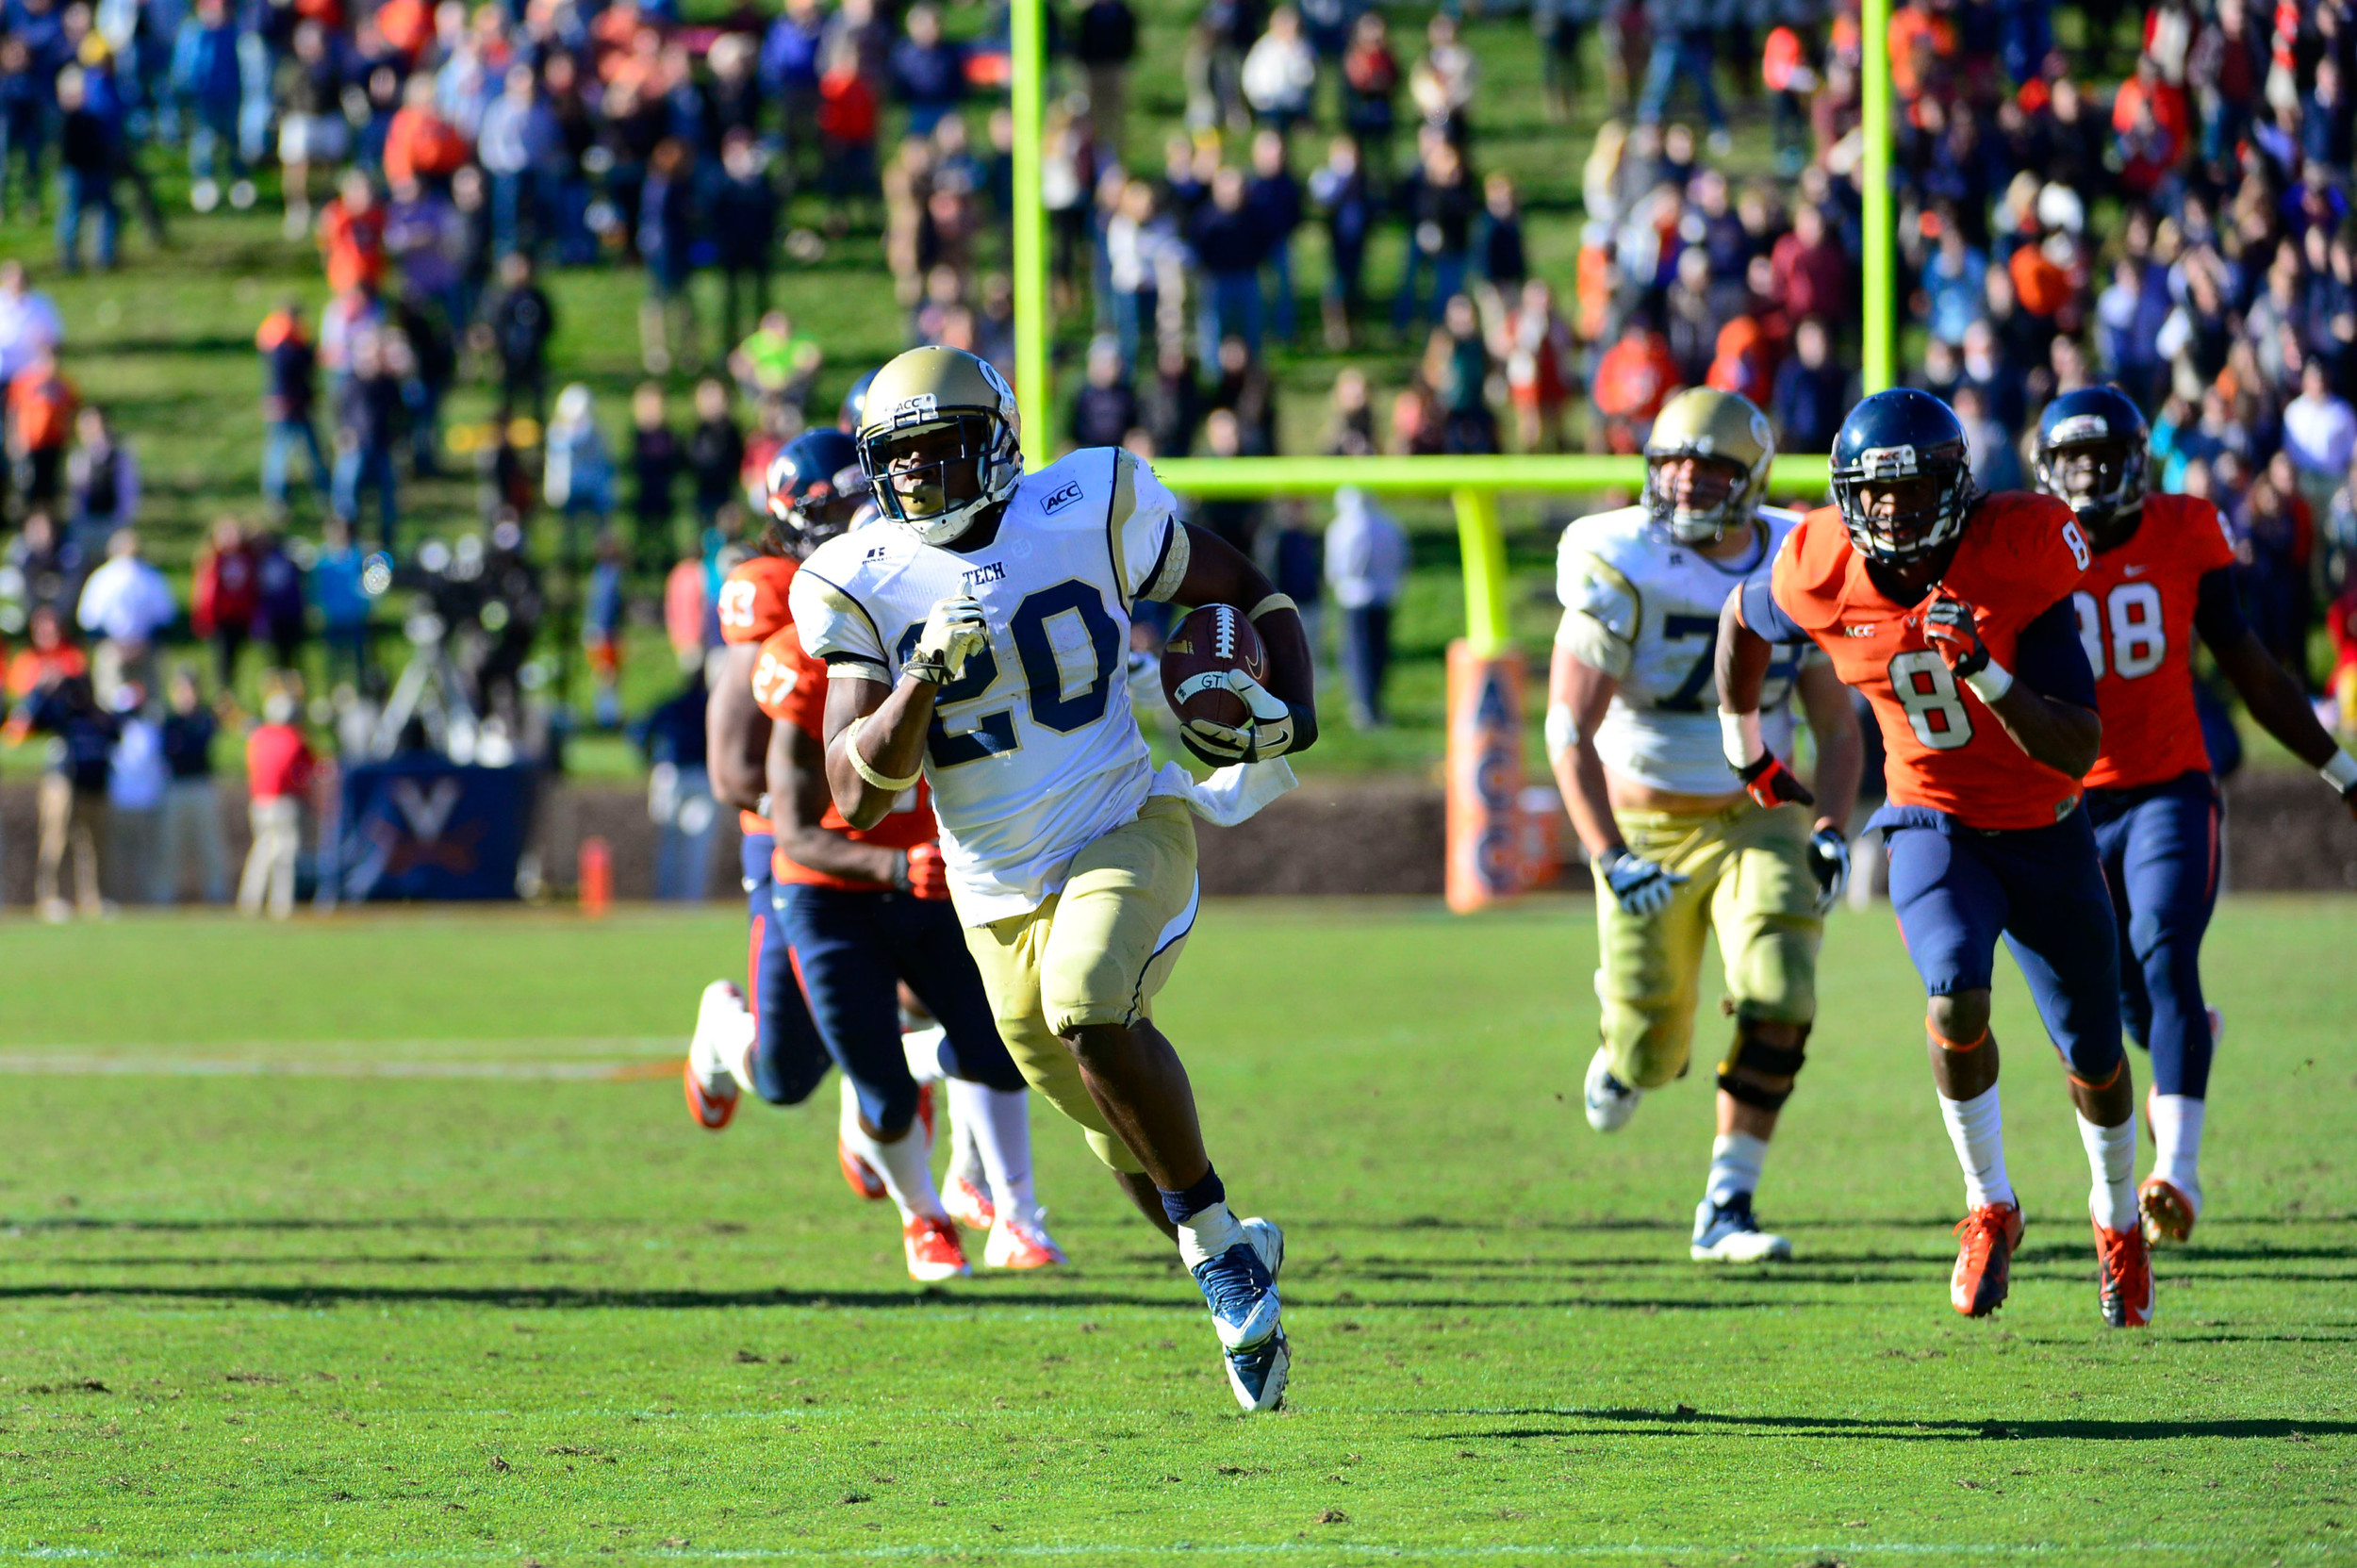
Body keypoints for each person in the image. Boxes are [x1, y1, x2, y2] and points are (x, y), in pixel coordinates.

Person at [793, 345, 1315, 1411]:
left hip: (1124, 818)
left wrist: (1290, 713)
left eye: (944, 450)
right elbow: (856, 793)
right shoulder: (862, 576)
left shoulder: (1087, 502)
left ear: (997, 441)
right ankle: (1222, 1246)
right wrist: (917, 682)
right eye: (902, 459)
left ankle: (1216, 1252)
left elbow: (1243, 589)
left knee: (1088, 998)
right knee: (1106, 1120)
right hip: (992, 894)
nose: (922, 479)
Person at [1717, 388, 2148, 1328]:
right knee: (1952, 992)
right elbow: (1741, 620)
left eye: (1912, 495)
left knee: (2094, 1053)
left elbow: (2076, 745)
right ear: (1845, 496)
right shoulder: (1821, 562)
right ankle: (1988, 1201)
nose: (1892, 514)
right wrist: (1741, 739)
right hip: (1929, 819)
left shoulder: (2016, 551)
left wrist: (1986, 669)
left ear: (1956, 489)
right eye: (1873, 496)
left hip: (2044, 826)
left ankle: (2115, 1216)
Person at [2032, 387, 2357, 1247]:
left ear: (2139, 460)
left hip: (2169, 783)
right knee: (2122, 999)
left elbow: (2248, 665)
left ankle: (2176, 1168)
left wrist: (2341, 769)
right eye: (2074, 459)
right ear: (2046, 469)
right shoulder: (2026, 542)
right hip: (2065, 801)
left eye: (2106, 457)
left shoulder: (2184, 528)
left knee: (2167, 952)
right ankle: (2182, 1045)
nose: (2091, 474)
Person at [1551, 388, 1863, 1262]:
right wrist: (1606, 853)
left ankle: (1728, 1201)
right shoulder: (1618, 558)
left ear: (1751, 478)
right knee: (1653, 1053)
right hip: (1645, 821)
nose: (1686, 486)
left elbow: (1838, 726)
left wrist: (1832, 826)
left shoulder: (1797, 557)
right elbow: (1567, 730)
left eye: (1710, 468)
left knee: (1781, 988)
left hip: (1762, 815)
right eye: (1671, 466)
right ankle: (1624, 1051)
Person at [748, 428, 1063, 1276]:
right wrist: (894, 864)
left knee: (998, 1039)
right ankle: (924, 1214)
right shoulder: (803, 654)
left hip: (931, 876)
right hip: (833, 893)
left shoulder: (957, 603)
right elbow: (797, 828)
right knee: (880, 1091)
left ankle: (1018, 1213)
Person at [13, 670, 116, 919]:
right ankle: (49, 897)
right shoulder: (61, 713)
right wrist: (43, 690)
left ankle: (93, 899)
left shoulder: (97, 717)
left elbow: (116, 731)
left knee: (92, 846)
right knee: (55, 840)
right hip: (63, 784)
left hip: (93, 786)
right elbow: (27, 720)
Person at [1324, 486, 1406, 728]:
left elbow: (1339, 566)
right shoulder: (1388, 524)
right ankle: (1374, 704)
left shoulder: (1343, 527)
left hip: (1354, 597)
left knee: (1359, 653)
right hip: (1383, 594)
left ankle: (1364, 706)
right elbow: (1400, 558)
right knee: (1378, 651)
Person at [74, 526, 173, 701]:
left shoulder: (150, 577)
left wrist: (141, 643)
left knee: (148, 698)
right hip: (113, 649)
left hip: (144, 648)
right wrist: (117, 644)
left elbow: (164, 618)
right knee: (111, 696)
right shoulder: (103, 578)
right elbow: (89, 621)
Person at [239, 687, 313, 919]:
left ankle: (250, 901)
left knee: (262, 851)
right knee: (284, 855)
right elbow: (306, 771)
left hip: (259, 802)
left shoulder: (259, 736)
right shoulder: (294, 737)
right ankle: (281, 905)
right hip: (284, 803)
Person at [157, 666, 227, 904]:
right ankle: (165, 894)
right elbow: (171, 752)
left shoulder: (205, 718)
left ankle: (216, 892)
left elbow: (199, 746)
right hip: (175, 787)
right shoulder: (169, 721)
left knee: (209, 843)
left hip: (200, 785)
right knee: (171, 846)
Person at [105, 681, 165, 903]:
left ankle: (145, 900)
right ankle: (120, 898)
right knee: (119, 858)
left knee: (145, 858)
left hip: (143, 804)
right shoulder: (114, 732)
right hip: (120, 804)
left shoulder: (146, 731)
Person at [190, 517, 257, 689]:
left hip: (241, 618)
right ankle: (223, 695)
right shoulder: (212, 560)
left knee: (238, 662)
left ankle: (233, 695)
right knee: (222, 662)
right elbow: (204, 593)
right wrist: (203, 618)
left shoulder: (247, 557)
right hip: (220, 619)